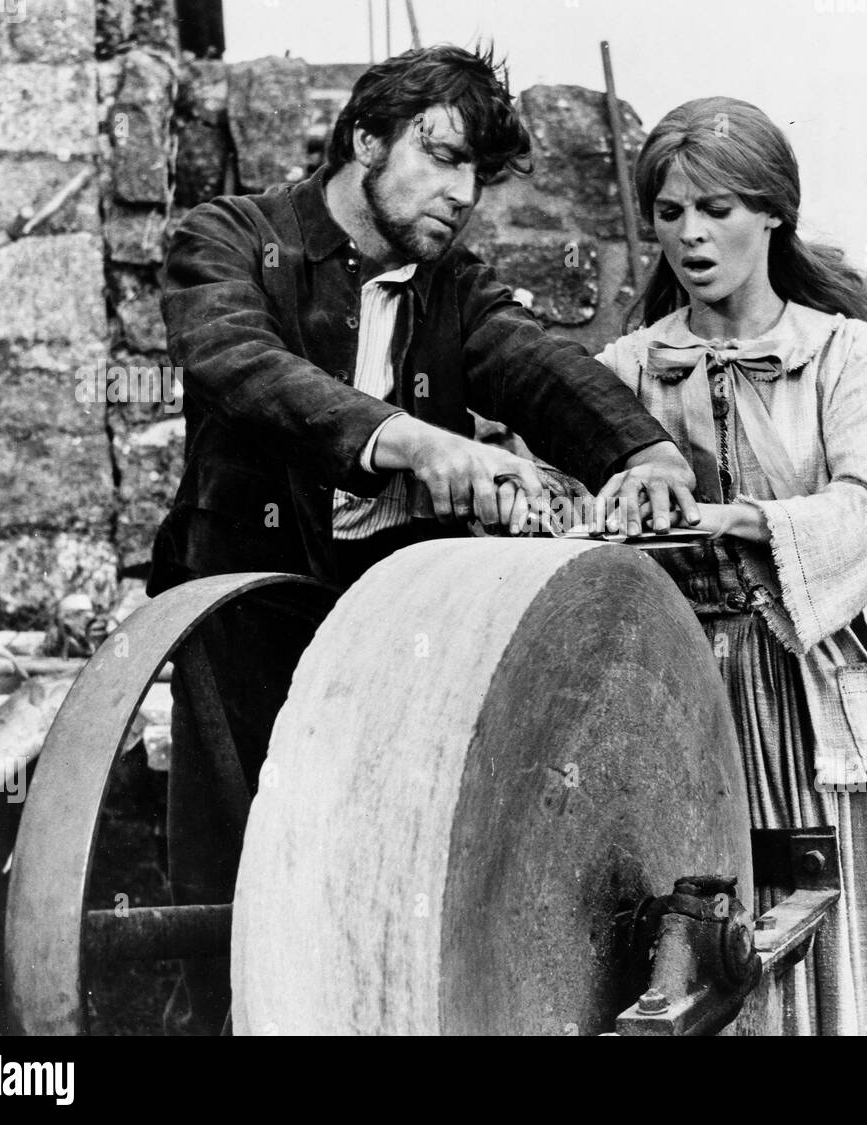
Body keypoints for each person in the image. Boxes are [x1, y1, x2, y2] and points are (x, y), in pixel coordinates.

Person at [151, 44, 699, 1034]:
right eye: (440, 158)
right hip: (248, 613)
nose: (460, 195)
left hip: (391, 630)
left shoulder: (449, 284)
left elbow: (533, 366)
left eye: (476, 178)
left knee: (385, 884)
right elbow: (240, 363)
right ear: (367, 140)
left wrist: (643, 453)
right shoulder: (230, 238)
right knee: (240, 898)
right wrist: (401, 438)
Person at [593, 96, 867, 1034]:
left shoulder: (848, 353)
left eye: (717, 208)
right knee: (695, 925)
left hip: (810, 680)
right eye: (670, 214)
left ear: (772, 211)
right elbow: (569, 507)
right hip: (676, 686)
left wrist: (749, 518)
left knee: (823, 919)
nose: (691, 234)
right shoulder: (623, 369)